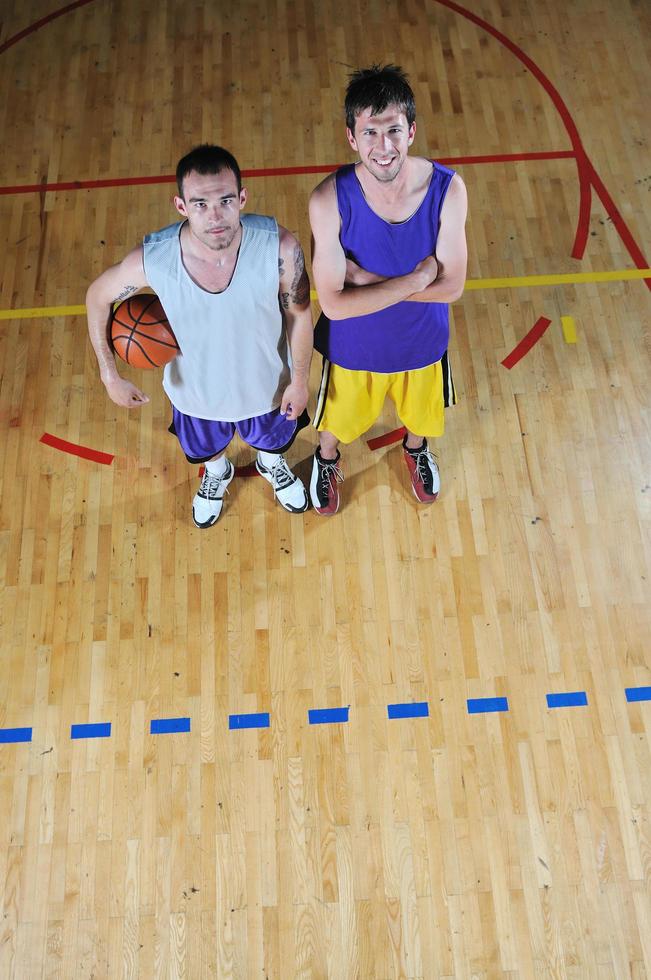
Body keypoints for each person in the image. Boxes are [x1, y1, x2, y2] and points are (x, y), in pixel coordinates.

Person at [87, 144, 314, 528]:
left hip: (269, 388)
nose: (215, 216)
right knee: (205, 449)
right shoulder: (156, 259)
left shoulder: (279, 247)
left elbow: (300, 313)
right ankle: (217, 472)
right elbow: (97, 296)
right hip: (196, 396)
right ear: (181, 206)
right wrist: (110, 375)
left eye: (226, 200)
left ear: (242, 197)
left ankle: (271, 464)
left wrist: (301, 380)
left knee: (274, 442)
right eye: (200, 204)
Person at [308, 64, 468, 515]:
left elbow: (452, 286)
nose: (384, 147)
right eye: (371, 132)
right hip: (355, 345)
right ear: (351, 138)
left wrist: (370, 281)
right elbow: (336, 307)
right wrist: (419, 279)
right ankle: (325, 460)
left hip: (423, 343)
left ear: (412, 130)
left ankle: (415, 450)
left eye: (394, 130)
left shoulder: (449, 189)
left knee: (421, 420)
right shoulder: (327, 200)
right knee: (337, 422)